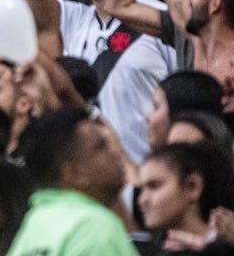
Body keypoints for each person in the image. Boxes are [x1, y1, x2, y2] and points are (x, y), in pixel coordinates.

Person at [8, 107, 137, 255]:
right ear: (73, 173)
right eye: (101, 146)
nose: (116, 151)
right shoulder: (93, 228)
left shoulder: (31, 229)